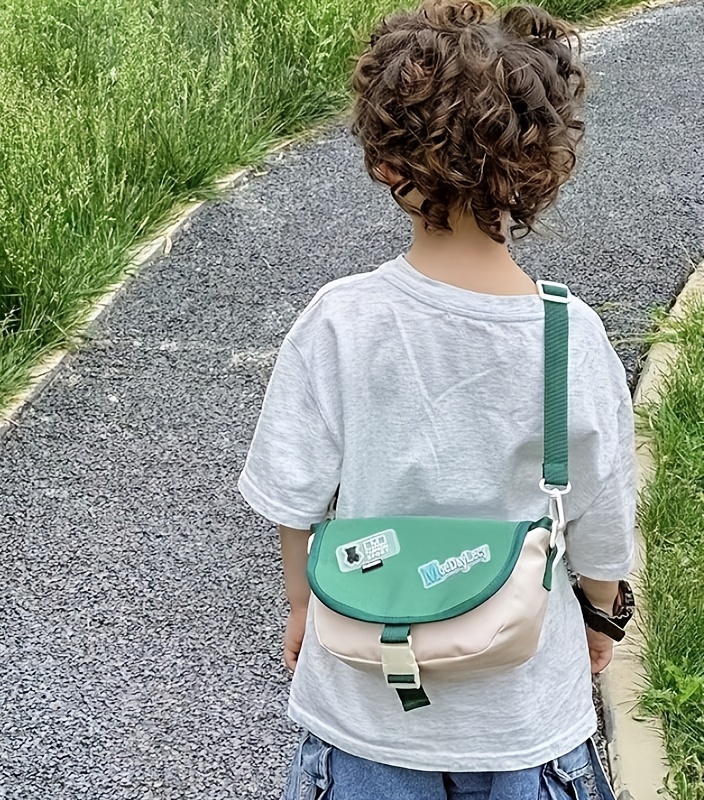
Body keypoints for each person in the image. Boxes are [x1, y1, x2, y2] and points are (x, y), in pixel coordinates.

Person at [238, 1, 636, 797]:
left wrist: (300, 608)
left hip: (362, 705)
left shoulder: (341, 319)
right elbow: (603, 522)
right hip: (523, 722)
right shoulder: (571, 337)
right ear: (543, 166)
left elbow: (294, 497)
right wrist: (598, 614)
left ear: (385, 160)